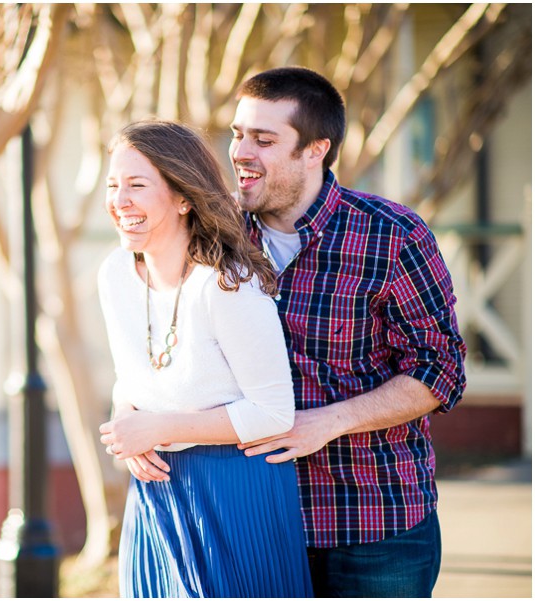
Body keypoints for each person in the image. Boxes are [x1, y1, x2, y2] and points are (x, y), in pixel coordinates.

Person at [228, 66, 467, 597]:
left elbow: (439, 370)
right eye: (238, 133)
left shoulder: (392, 236)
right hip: (252, 522)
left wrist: (327, 423)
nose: (242, 151)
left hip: (374, 525)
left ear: (315, 149)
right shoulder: (216, 238)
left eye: (264, 139)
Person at [97, 119, 313, 598]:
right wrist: (126, 418)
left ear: (182, 197)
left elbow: (274, 411)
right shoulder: (114, 274)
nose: (119, 201)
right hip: (154, 494)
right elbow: (131, 375)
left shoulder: (226, 285)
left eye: (136, 185)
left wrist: (157, 429)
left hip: (233, 490)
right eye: (113, 185)